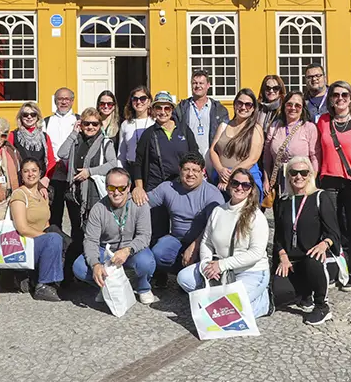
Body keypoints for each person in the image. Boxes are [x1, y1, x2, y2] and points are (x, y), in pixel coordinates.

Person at [179, 167, 271, 317]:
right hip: (220, 269)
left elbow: (255, 253)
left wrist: (222, 265)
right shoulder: (218, 211)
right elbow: (206, 242)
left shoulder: (256, 216)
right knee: (184, 278)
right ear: (229, 185)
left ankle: (263, 302)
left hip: (250, 272)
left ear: (250, 189)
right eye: (235, 183)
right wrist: (206, 264)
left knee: (229, 312)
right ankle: (220, 298)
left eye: (245, 185)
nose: (240, 187)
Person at [272, 156, 342, 325]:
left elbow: (334, 232)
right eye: (294, 172)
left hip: (314, 259)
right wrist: (282, 255)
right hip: (292, 260)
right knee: (279, 294)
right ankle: (304, 294)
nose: (299, 177)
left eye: (304, 172)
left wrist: (324, 244)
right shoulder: (283, 201)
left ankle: (321, 306)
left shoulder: (320, 197)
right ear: (288, 176)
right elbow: (278, 236)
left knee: (313, 261)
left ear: (310, 175)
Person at [73, 167, 157, 304]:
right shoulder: (98, 209)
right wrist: (95, 264)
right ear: (106, 188)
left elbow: (144, 236)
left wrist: (127, 250)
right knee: (79, 267)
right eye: (112, 188)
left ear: (129, 187)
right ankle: (106, 288)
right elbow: (90, 240)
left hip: (130, 249)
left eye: (121, 188)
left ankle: (143, 287)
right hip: (105, 250)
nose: (116, 192)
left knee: (146, 262)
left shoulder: (140, 204)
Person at [316, 80, 351, 291]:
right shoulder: (323, 121)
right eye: (335, 95)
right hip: (328, 180)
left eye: (344, 95)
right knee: (331, 227)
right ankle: (335, 268)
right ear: (330, 99)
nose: (340, 99)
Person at [56, 107, 121, 276]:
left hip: (93, 195)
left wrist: (90, 172)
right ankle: (75, 272)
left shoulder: (105, 143)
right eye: (86, 123)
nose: (90, 127)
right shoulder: (76, 140)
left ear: (100, 125)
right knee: (76, 232)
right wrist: (73, 133)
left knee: (92, 233)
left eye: (94, 124)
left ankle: (95, 269)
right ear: (81, 124)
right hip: (74, 195)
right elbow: (61, 153)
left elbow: (113, 164)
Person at [148, 152, 225, 287]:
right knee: (159, 252)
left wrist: (194, 247)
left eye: (195, 170)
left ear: (203, 172)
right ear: (180, 170)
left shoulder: (212, 194)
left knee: (205, 258)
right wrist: (136, 191)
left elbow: (214, 227)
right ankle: (182, 272)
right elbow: (143, 202)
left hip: (204, 242)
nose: (190, 174)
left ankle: (195, 276)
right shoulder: (168, 188)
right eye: (186, 169)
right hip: (177, 238)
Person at [9, 158, 66, 300]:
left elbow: (46, 223)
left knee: (63, 239)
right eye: (26, 171)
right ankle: (43, 285)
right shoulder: (19, 194)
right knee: (53, 239)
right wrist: (46, 237)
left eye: (34, 170)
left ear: (40, 173)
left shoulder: (42, 195)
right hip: (25, 242)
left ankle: (57, 280)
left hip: (39, 240)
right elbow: (22, 228)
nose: (30, 174)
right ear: (21, 174)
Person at [133, 91, 199, 200]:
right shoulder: (148, 134)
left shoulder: (184, 130)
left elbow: (195, 155)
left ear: (172, 110)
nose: (163, 112)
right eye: (159, 108)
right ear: (153, 110)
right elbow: (138, 163)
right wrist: (139, 188)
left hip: (182, 187)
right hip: (156, 188)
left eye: (167, 108)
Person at [263, 90, 319, 201]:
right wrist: (266, 180)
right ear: (284, 106)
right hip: (279, 182)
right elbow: (267, 157)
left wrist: (311, 181)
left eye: (298, 105)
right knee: (281, 215)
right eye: (289, 104)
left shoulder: (309, 127)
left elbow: (315, 157)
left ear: (302, 109)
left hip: (301, 180)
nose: (293, 108)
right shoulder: (275, 126)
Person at [209, 88, 265, 194]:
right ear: (234, 105)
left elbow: (252, 159)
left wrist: (231, 177)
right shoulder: (223, 125)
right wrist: (220, 170)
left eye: (248, 104)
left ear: (253, 108)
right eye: (240, 103)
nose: (243, 107)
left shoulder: (256, 129)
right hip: (220, 177)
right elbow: (213, 150)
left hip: (245, 180)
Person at [176, 70, 230, 171]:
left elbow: (226, 136)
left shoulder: (219, 109)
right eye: (195, 83)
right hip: (190, 159)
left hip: (212, 159)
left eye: (201, 83)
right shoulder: (181, 108)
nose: (198, 86)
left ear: (208, 85)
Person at [8, 101, 56, 180]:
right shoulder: (13, 135)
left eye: (33, 114)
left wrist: (46, 178)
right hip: (20, 180)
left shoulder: (44, 136)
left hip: (40, 181)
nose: (29, 117)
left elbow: (51, 161)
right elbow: (8, 161)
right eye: (25, 115)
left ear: (38, 117)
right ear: (21, 117)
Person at [118, 86, 154, 173]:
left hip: (151, 168)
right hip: (131, 168)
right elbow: (121, 153)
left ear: (149, 102)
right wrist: (121, 172)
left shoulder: (154, 122)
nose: (138, 102)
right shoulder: (126, 124)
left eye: (143, 98)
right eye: (135, 99)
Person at [45, 87, 78, 155]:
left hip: (72, 163)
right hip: (53, 164)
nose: (63, 102)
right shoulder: (45, 122)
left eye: (67, 99)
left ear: (72, 101)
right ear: (55, 101)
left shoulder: (79, 120)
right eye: (60, 99)